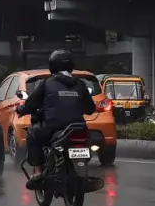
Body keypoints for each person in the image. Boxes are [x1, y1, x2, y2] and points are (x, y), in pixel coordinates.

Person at [16, 49, 96, 190]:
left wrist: (21, 110)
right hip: (78, 127)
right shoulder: (80, 84)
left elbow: (31, 104)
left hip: (53, 127)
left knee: (32, 134)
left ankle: (38, 172)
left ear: (52, 65)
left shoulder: (46, 83)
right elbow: (90, 109)